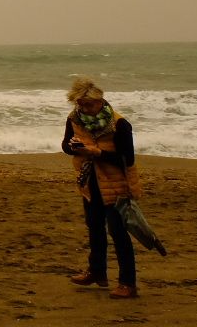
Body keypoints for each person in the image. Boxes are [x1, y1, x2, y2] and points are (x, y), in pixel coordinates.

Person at [63, 77, 139, 299]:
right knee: (94, 227)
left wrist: (98, 153)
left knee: (117, 231)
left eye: (89, 105)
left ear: (100, 101)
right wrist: (73, 147)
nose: (85, 109)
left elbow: (127, 158)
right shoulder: (74, 119)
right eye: (81, 105)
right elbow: (65, 146)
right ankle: (97, 272)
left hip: (117, 183)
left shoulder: (119, 124)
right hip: (89, 181)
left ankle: (128, 283)